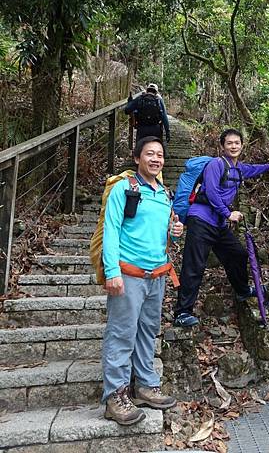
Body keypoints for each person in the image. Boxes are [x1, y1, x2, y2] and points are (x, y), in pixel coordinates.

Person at [102, 136, 183, 425]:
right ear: (137, 158)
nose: (156, 159)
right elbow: (111, 231)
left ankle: (146, 385)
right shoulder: (124, 188)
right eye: (150, 154)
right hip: (128, 275)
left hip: (157, 276)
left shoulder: (164, 193)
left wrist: (175, 231)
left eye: (160, 155)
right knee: (121, 334)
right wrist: (111, 271)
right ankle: (115, 395)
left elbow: (166, 235)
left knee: (148, 333)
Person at [174, 128, 269, 327]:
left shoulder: (238, 168)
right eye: (229, 143)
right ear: (222, 146)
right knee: (194, 265)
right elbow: (213, 192)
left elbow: (253, 169)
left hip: (218, 224)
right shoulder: (216, 164)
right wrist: (228, 213)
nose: (233, 146)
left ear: (242, 145)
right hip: (201, 220)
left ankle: (242, 291)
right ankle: (182, 312)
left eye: (237, 143)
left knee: (238, 254)